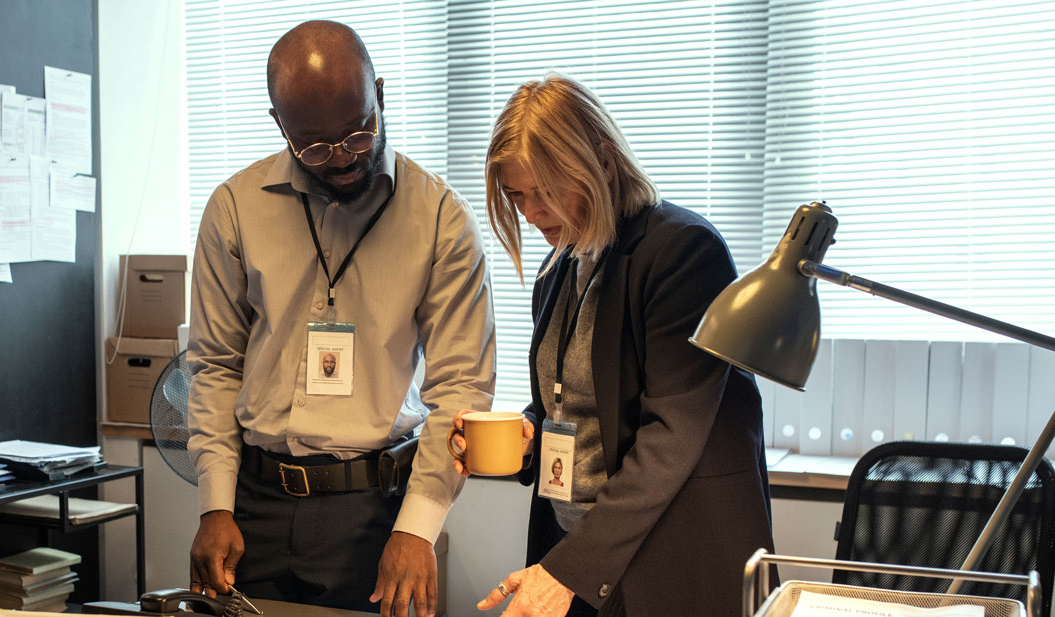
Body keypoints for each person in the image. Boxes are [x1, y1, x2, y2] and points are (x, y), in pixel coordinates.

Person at [187, 20, 496, 617]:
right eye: (317, 147)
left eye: (360, 133)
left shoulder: (440, 220)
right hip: (253, 503)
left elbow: (461, 388)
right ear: (280, 125)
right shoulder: (233, 210)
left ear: (380, 93)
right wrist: (214, 505)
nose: (344, 159)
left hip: (375, 510)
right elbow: (215, 366)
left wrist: (418, 528)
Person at [451, 73, 773, 617]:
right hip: (581, 554)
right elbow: (572, 401)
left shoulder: (684, 253)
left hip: (669, 561)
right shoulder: (561, 267)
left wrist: (569, 570)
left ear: (601, 161)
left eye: (547, 191)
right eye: (517, 196)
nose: (531, 214)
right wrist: (528, 433)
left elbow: (671, 436)